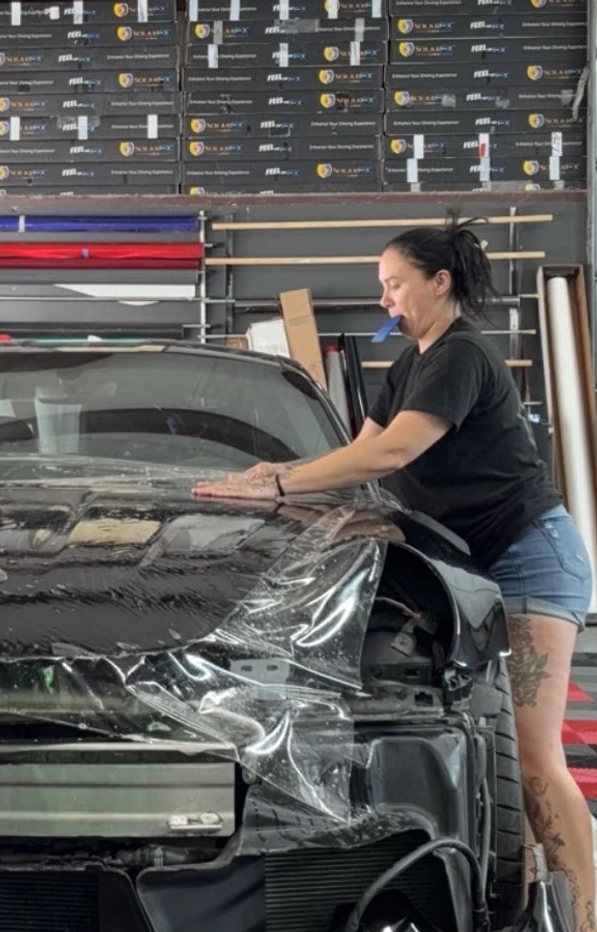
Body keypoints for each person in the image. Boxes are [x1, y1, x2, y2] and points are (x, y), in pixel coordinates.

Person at [195, 215, 595, 932]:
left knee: (533, 760)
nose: (385, 300)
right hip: (473, 575)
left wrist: (279, 485)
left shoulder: (461, 355)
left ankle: (588, 918)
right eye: (382, 288)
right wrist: (271, 476)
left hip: (530, 558)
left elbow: (391, 456)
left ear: (439, 284)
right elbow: (357, 459)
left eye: (394, 285)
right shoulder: (413, 364)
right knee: (499, 758)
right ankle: (532, 910)